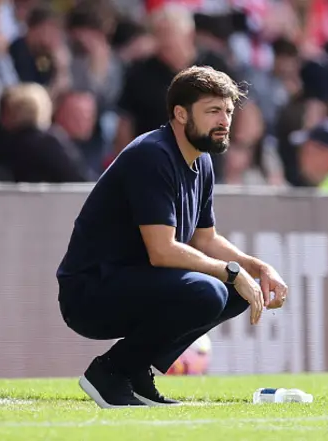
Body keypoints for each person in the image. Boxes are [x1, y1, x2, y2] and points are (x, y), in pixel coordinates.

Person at [56, 65, 288, 408]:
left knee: (236, 290)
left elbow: (205, 240)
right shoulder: (153, 154)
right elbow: (162, 252)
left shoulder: (202, 160)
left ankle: (134, 372)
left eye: (228, 111)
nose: (224, 120)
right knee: (211, 290)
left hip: (134, 283)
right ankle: (109, 372)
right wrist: (233, 272)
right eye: (212, 111)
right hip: (90, 292)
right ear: (180, 113)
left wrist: (257, 268)